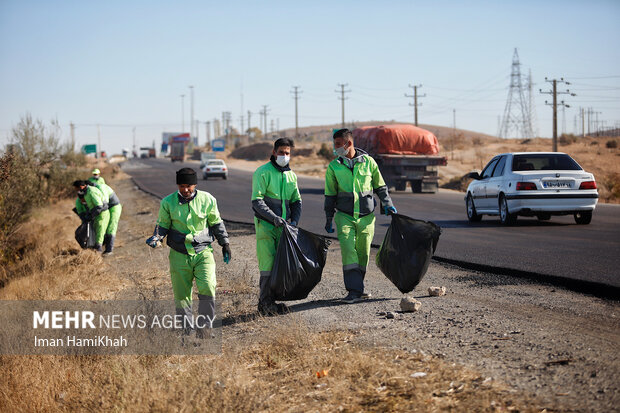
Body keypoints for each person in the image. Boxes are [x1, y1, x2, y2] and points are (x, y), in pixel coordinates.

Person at [146, 168, 231, 337]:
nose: (185, 190)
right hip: (179, 254)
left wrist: (225, 243)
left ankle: (206, 326)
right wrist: (157, 237)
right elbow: (162, 225)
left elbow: (216, 223)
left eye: (189, 186)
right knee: (182, 293)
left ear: (195, 184)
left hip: (203, 252)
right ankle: (187, 329)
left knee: (207, 286)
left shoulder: (208, 199)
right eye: (182, 186)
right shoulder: (167, 202)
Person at [324, 128, 397, 303]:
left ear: (348, 144)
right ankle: (354, 291)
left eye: (338, 145)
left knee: (363, 252)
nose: (335, 149)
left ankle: (359, 287)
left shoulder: (369, 163)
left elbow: (380, 186)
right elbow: (330, 195)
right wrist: (328, 218)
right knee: (349, 252)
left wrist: (388, 204)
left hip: (366, 217)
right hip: (344, 216)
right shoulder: (334, 166)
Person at [251, 138, 302, 315]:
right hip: (266, 227)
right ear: (274, 152)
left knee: (283, 266)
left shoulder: (291, 176)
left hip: (284, 229)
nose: (284, 156)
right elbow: (257, 201)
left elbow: (296, 201)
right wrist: (274, 218)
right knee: (268, 265)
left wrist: (294, 221)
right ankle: (265, 303)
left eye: (287, 153)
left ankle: (274, 302)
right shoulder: (262, 172)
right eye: (281, 152)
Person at [73, 180, 110, 252]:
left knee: (100, 232)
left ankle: (98, 252)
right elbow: (83, 211)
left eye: (77, 189)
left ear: (81, 187)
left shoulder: (91, 192)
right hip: (96, 215)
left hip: (102, 214)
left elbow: (99, 206)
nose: (77, 191)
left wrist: (91, 216)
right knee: (94, 233)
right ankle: (93, 250)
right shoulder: (85, 193)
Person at [88, 181, 122, 255]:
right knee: (104, 228)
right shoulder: (95, 190)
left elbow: (104, 204)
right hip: (107, 208)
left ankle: (109, 250)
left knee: (111, 227)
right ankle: (105, 247)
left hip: (114, 207)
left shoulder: (101, 188)